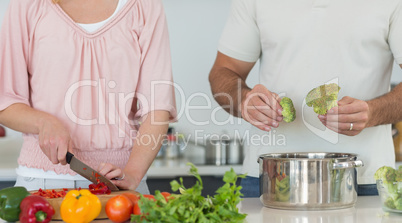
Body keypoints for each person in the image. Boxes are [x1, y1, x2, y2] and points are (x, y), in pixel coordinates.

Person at [209, 0, 402, 197]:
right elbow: (224, 71)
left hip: (364, 178)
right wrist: (244, 100)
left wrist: (373, 112)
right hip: (269, 177)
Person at [0, 0, 176, 194]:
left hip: (120, 184)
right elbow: (5, 101)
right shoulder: (27, 4)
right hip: (43, 183)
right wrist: (44, 122)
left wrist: (133, 173)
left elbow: (157, 108)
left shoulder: (145, 6)